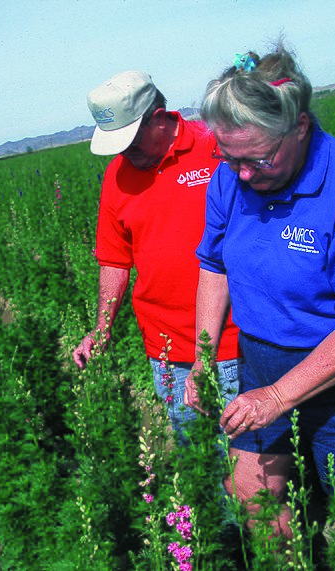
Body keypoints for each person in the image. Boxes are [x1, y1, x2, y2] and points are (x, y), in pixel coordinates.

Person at [185, 46, 335, 571]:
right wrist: (203, 356)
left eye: (258, 159)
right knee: (252, 491)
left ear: (301, 127)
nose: (242, 175)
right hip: (263, 359)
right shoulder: (231, 177)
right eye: (228, 157)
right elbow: (214, 265)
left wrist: (277, 396)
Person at [73, 70, 242, 446]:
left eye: (130, 138)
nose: (123, 151)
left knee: (250, 477)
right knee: (199, 466)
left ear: (159, 116)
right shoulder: (117, 176)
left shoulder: (214, 145)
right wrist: (102, 329)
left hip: (235, 344)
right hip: (168, 354)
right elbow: (115, 260)